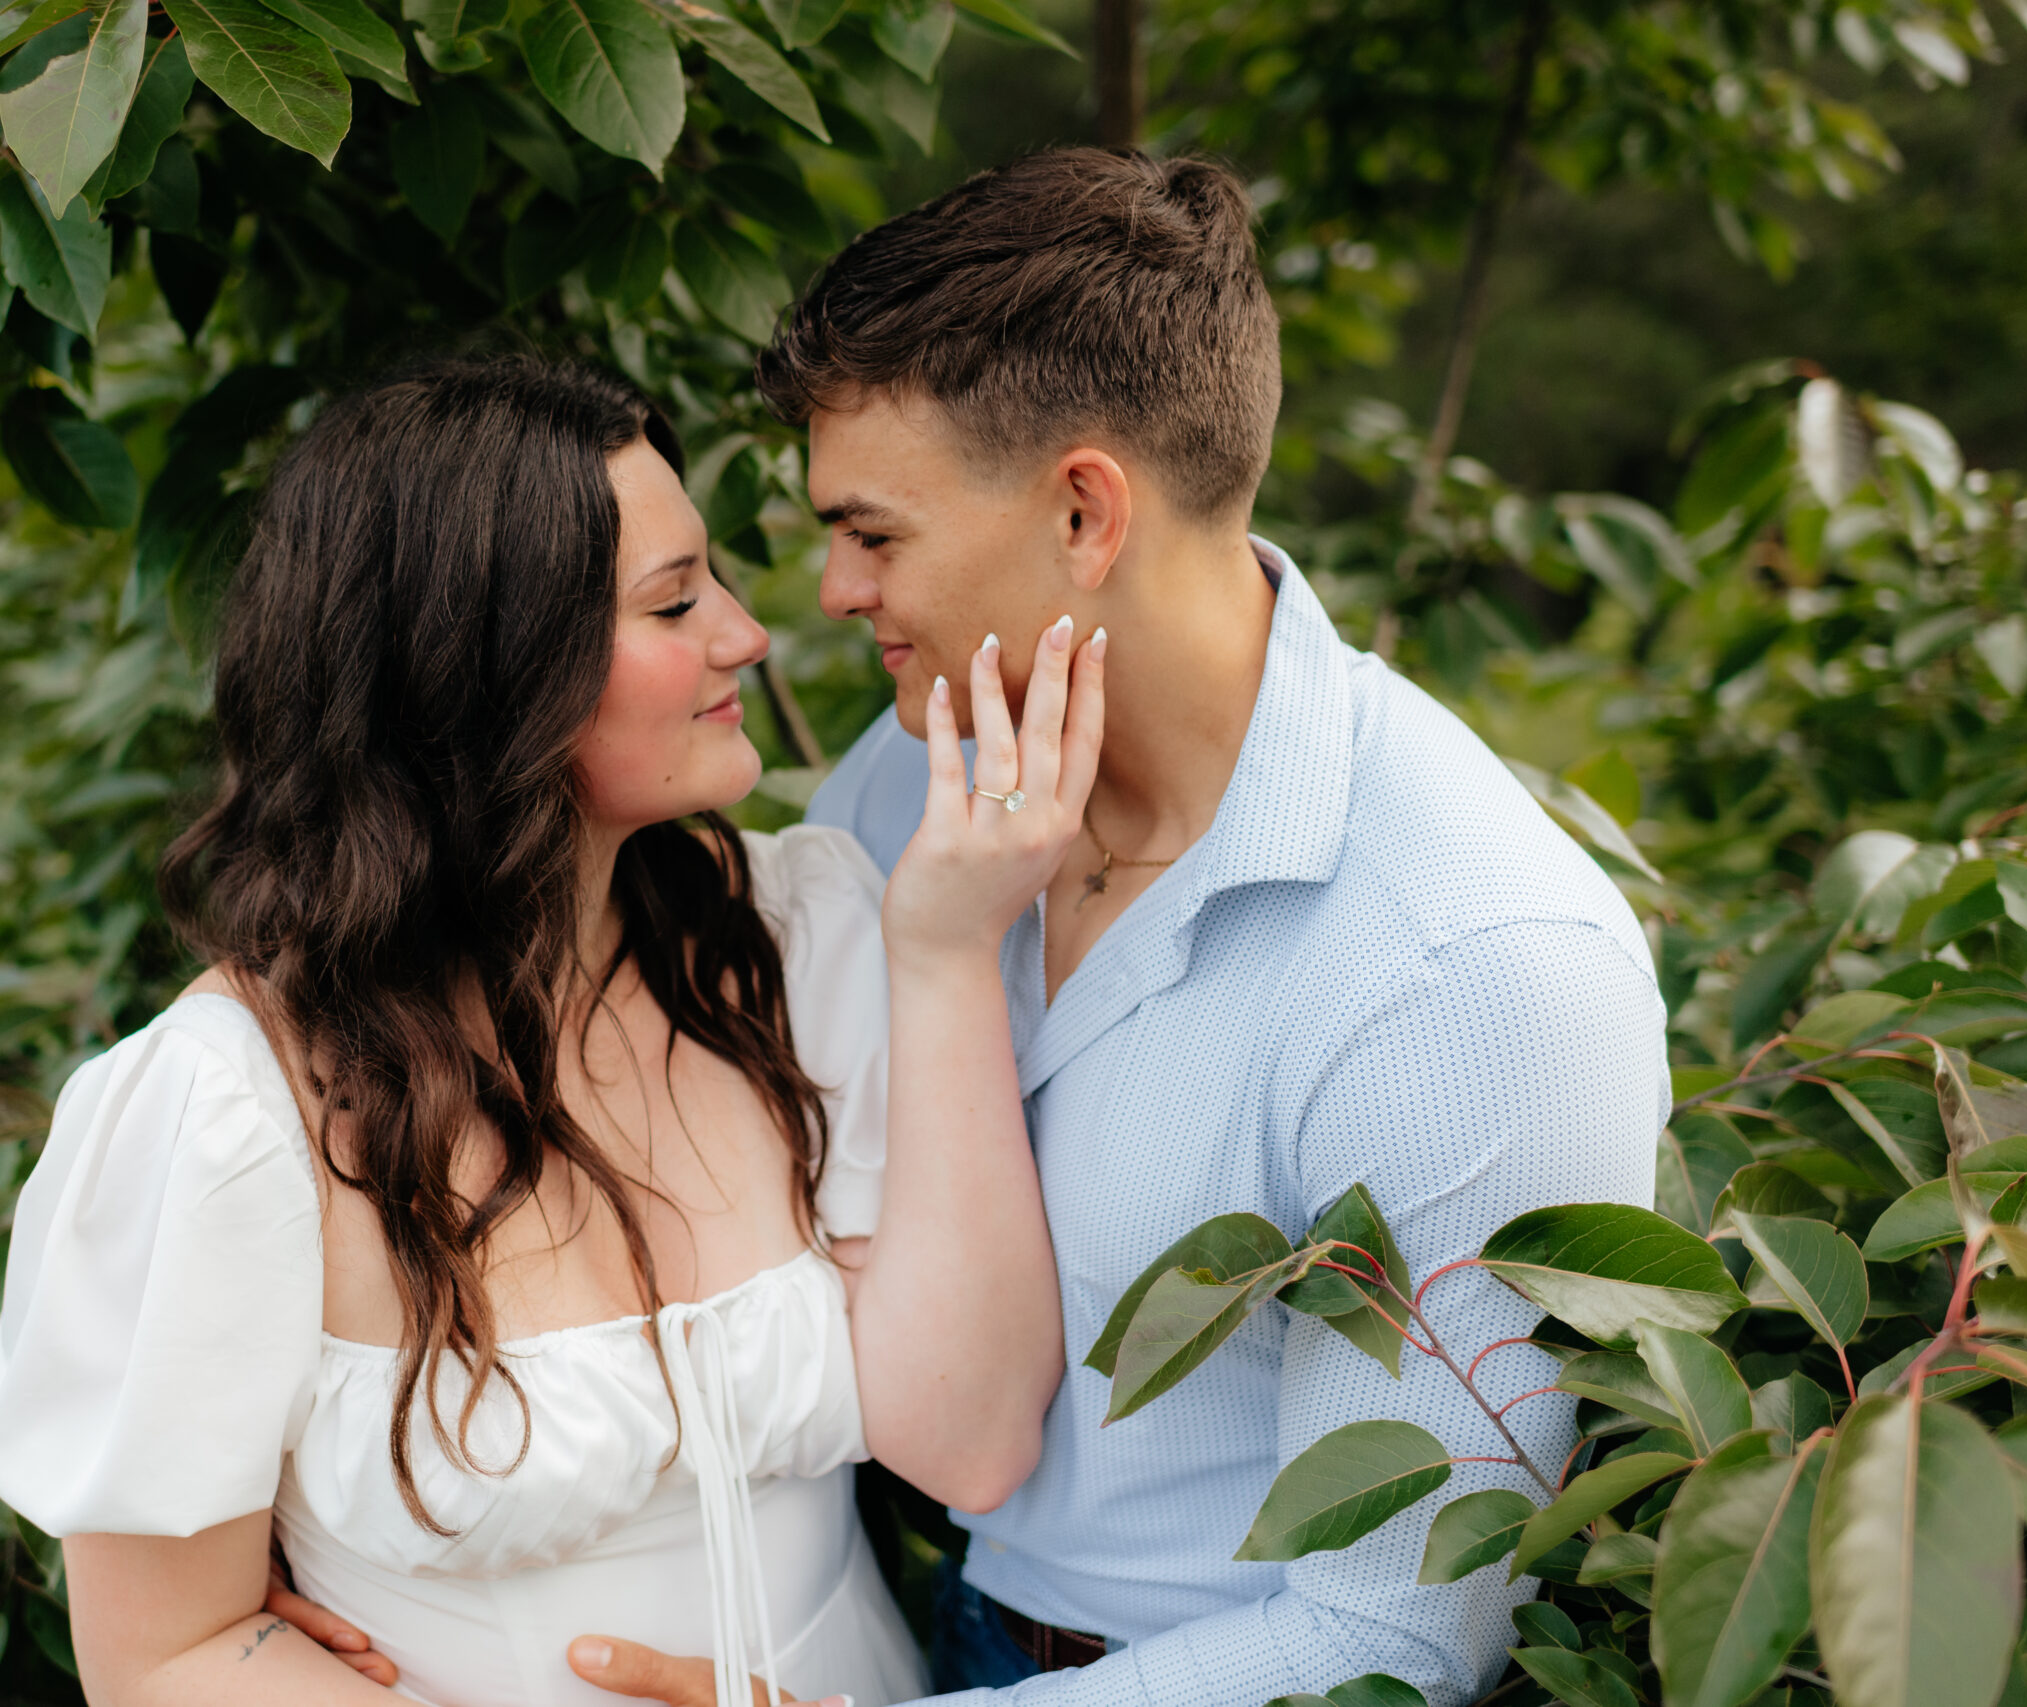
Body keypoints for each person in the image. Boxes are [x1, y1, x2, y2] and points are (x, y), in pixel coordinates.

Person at [542, 149, 1670, 1706]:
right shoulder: (911, 784)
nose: (825, 591)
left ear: (1085, 515)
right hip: (924, 1622)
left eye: (875, 535)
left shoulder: (1465, 970)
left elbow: (1397, 1644)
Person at [0, 359, 1106, 1707]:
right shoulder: (225, 1110)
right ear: (486, 676)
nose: (748, 634)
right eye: (675, 602)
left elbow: (969, 1446)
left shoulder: (800, 941)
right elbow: (164, 1655)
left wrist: (951, 950)